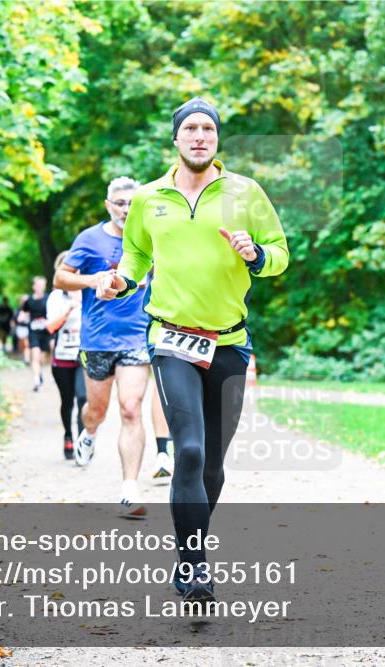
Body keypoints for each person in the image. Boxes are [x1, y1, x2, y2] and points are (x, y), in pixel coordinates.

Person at [94, 97, 289, 604]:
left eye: (208, 129)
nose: (199, 136)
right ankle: (194, 566)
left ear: (217, 139)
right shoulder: (149, 197)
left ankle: (191, 547)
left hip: (229, 342)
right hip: (171, 339)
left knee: (212, 464)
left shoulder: (246, 192)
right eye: (191, 128)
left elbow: (280, 255)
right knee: (191, 449)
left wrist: (256, 254)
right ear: (176, 138)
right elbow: (136, 253)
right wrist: (121, 280)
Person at [53, 177, 153, 519]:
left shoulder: (151, 237)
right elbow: (60, 278)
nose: (126, 209)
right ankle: (90, 432)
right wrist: (91, 279)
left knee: (131, 408)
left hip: (137, 336)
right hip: (97, 339)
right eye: (120, 203)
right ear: (108, 205)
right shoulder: (89, 239)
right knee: (96, 410)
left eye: (132, 203)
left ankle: (129, 489)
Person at [47, 252, 87, 460]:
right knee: (67, 401)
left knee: (83, 397)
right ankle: (68, 435)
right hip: (62, 356)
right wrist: (68, 309)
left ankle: (82, 442)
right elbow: (51, 327)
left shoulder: (87, 292)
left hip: (84, 355)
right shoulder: (56, 297)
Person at [20, 277, 51, 391]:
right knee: (35, 356)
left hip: (45, 332)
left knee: (42, 359)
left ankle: (39, 373)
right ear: (34, 287)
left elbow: (54, 313)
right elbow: (23, 313)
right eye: (38, 285)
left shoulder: (48, 299)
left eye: (42, 285)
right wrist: (21, 318)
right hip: (33, 332)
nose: (40, 287)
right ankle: (36, 380)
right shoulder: (29, 301)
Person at [15, 294, 30, 364]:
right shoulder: (18, 309)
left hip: (28, 328)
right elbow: (16, 319)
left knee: (27, 344)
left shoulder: (31, 308)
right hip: (20, 328)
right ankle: (21, 355)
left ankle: (27, 358)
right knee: (21, 344)